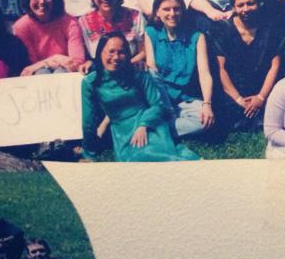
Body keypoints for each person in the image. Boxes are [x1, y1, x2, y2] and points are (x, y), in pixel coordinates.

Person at [82, 32, 198, 162]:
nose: (116, 57)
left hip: (149, 122)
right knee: (136, 158)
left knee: (158, 154)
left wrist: (144, 125)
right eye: (111, 52)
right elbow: (88, 121)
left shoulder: (139, 76)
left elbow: (157, 104)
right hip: (122, 131)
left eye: (121, 52)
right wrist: (89, 152)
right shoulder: (90, 83)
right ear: (100, 53)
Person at [141, 0, 215, 140]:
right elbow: (152, 68)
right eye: (166, 9)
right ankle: (169, 123)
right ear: (157, 13)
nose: (172, 14)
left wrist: (207, 104)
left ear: (183, 11)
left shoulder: (196, 37)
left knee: (204, 122)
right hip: (160, 98)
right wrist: (166, 108)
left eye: (176, 9)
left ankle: (162, 130)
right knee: (152, 74)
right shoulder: (151, 32)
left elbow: (204, 73)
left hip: (186, 98)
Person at [211, 0, 284, 131]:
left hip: (263, 86)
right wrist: (238, 99)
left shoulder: (271, 27)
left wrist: (261, 97)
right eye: (240, 5)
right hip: (233, 90)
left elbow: (275, 66)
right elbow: (221, 68)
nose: (245, 9)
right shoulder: (222, 29)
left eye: (250, 3)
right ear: (233, 8)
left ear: (258, 3)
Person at [12, 0, 84, 75]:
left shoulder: (70, 22)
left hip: (65, 72)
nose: (42, 2)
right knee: (42, 72)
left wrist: (46, 63)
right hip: (37, 76)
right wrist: (55, 59)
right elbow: (30, 66)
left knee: (60, 72)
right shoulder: (21, 26)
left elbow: (77, 62)